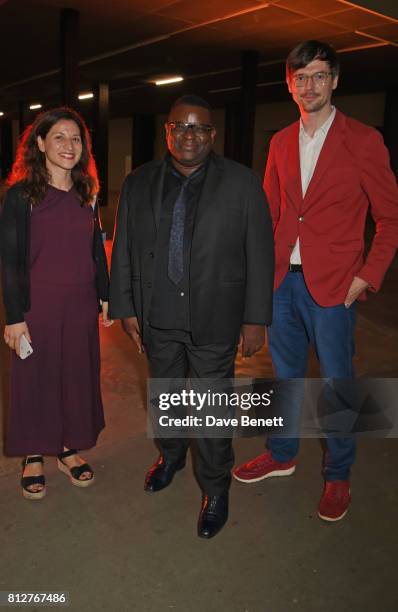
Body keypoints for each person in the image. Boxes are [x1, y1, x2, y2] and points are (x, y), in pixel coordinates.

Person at [233, 40, 398, 521]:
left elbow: (390, 219)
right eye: (300, 77)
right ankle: (282, 454)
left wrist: (365, 277)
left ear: (336, 81)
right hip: (283, 281)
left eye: (319, 76)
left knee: (336, 384)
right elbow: (267, 215)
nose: (310, 86)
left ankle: (338, 475)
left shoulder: (365, 141)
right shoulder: (281, 142)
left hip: (334, 287)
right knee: (282, 377)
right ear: (290, 84)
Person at [109, 94, 274, 538]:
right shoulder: (139, 182)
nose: (189, 135)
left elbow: (259, 252)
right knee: (166, 397)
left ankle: (216, 488)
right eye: (180, 126)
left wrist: (255, 317)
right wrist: (125, 308)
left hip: (214, 318)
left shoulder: (241, 183)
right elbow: (123, 248)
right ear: (167, 131)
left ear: (212, 135)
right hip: (157, 315)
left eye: (199, 127)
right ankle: (171, 456)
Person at [0, 107, 112, 500]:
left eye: (76, 138)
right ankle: (34, 451)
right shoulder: (20, 196)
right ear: (41, 144)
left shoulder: (88, 192)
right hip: (38, 305)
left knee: (75, 374)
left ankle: (67, 447)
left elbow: (95, 248)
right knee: (36, 377)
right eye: (60, 137)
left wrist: (105, 294)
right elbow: (10, 261)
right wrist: (14, 318)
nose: (69, 145)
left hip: (80, 302)